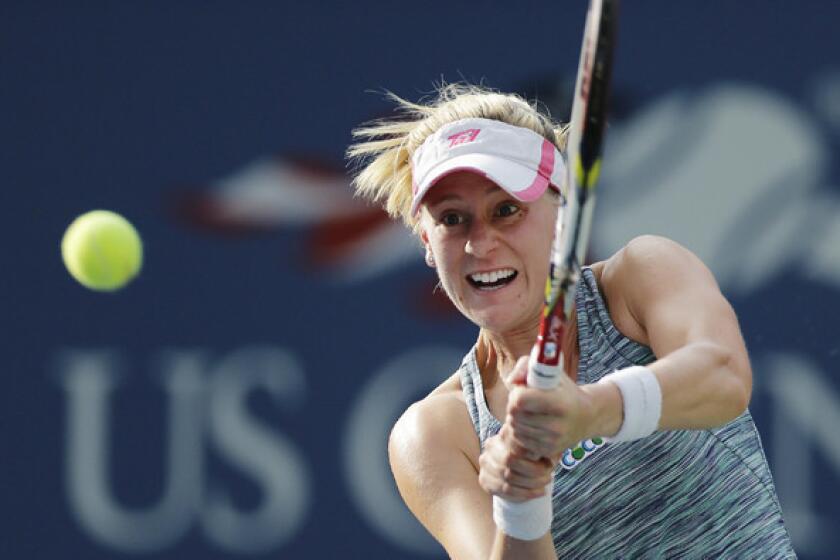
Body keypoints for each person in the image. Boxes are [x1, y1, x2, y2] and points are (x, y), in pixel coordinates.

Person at [348, 84, 796, 559]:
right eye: (453, 219)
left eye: (506, 210)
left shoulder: (641, 275)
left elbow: (723, 377)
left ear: (563, 213)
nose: (480, 244)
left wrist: (589, 411)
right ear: (425, 241)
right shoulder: (435, 434)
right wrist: (523, 500)